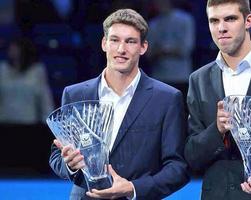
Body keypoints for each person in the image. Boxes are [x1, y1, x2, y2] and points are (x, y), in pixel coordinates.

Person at [49, 8, 190, 200]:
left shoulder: (167, 98)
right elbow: (57, 157)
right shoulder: (75, 94)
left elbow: (177, 168)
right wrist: (70, 165)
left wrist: (133, 188)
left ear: (143, 47)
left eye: (130, 41)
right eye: (114, 40)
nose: (121, 49)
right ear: (104, 43)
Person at [184, 0, 251, 199]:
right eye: (214, 21)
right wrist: (217, 130)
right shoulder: (199, 80)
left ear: (248, 20)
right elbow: (192, 156)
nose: (221, 28)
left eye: (230, 19)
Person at [0, 37, 54, 124]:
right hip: (4, 124)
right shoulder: (2, 69)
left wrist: (48, 124)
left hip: (28, 125)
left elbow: (45, 99)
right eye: (11, 47)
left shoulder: (37, 70)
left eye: (15, 47)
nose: (12, 50)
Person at [146, 0, 195, 87]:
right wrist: (168, 50)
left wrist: (162, 50)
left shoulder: (185, 19)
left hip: (181, 78)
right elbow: (148, 53)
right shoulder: (153, 24)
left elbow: (186, 50)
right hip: (159, 78)